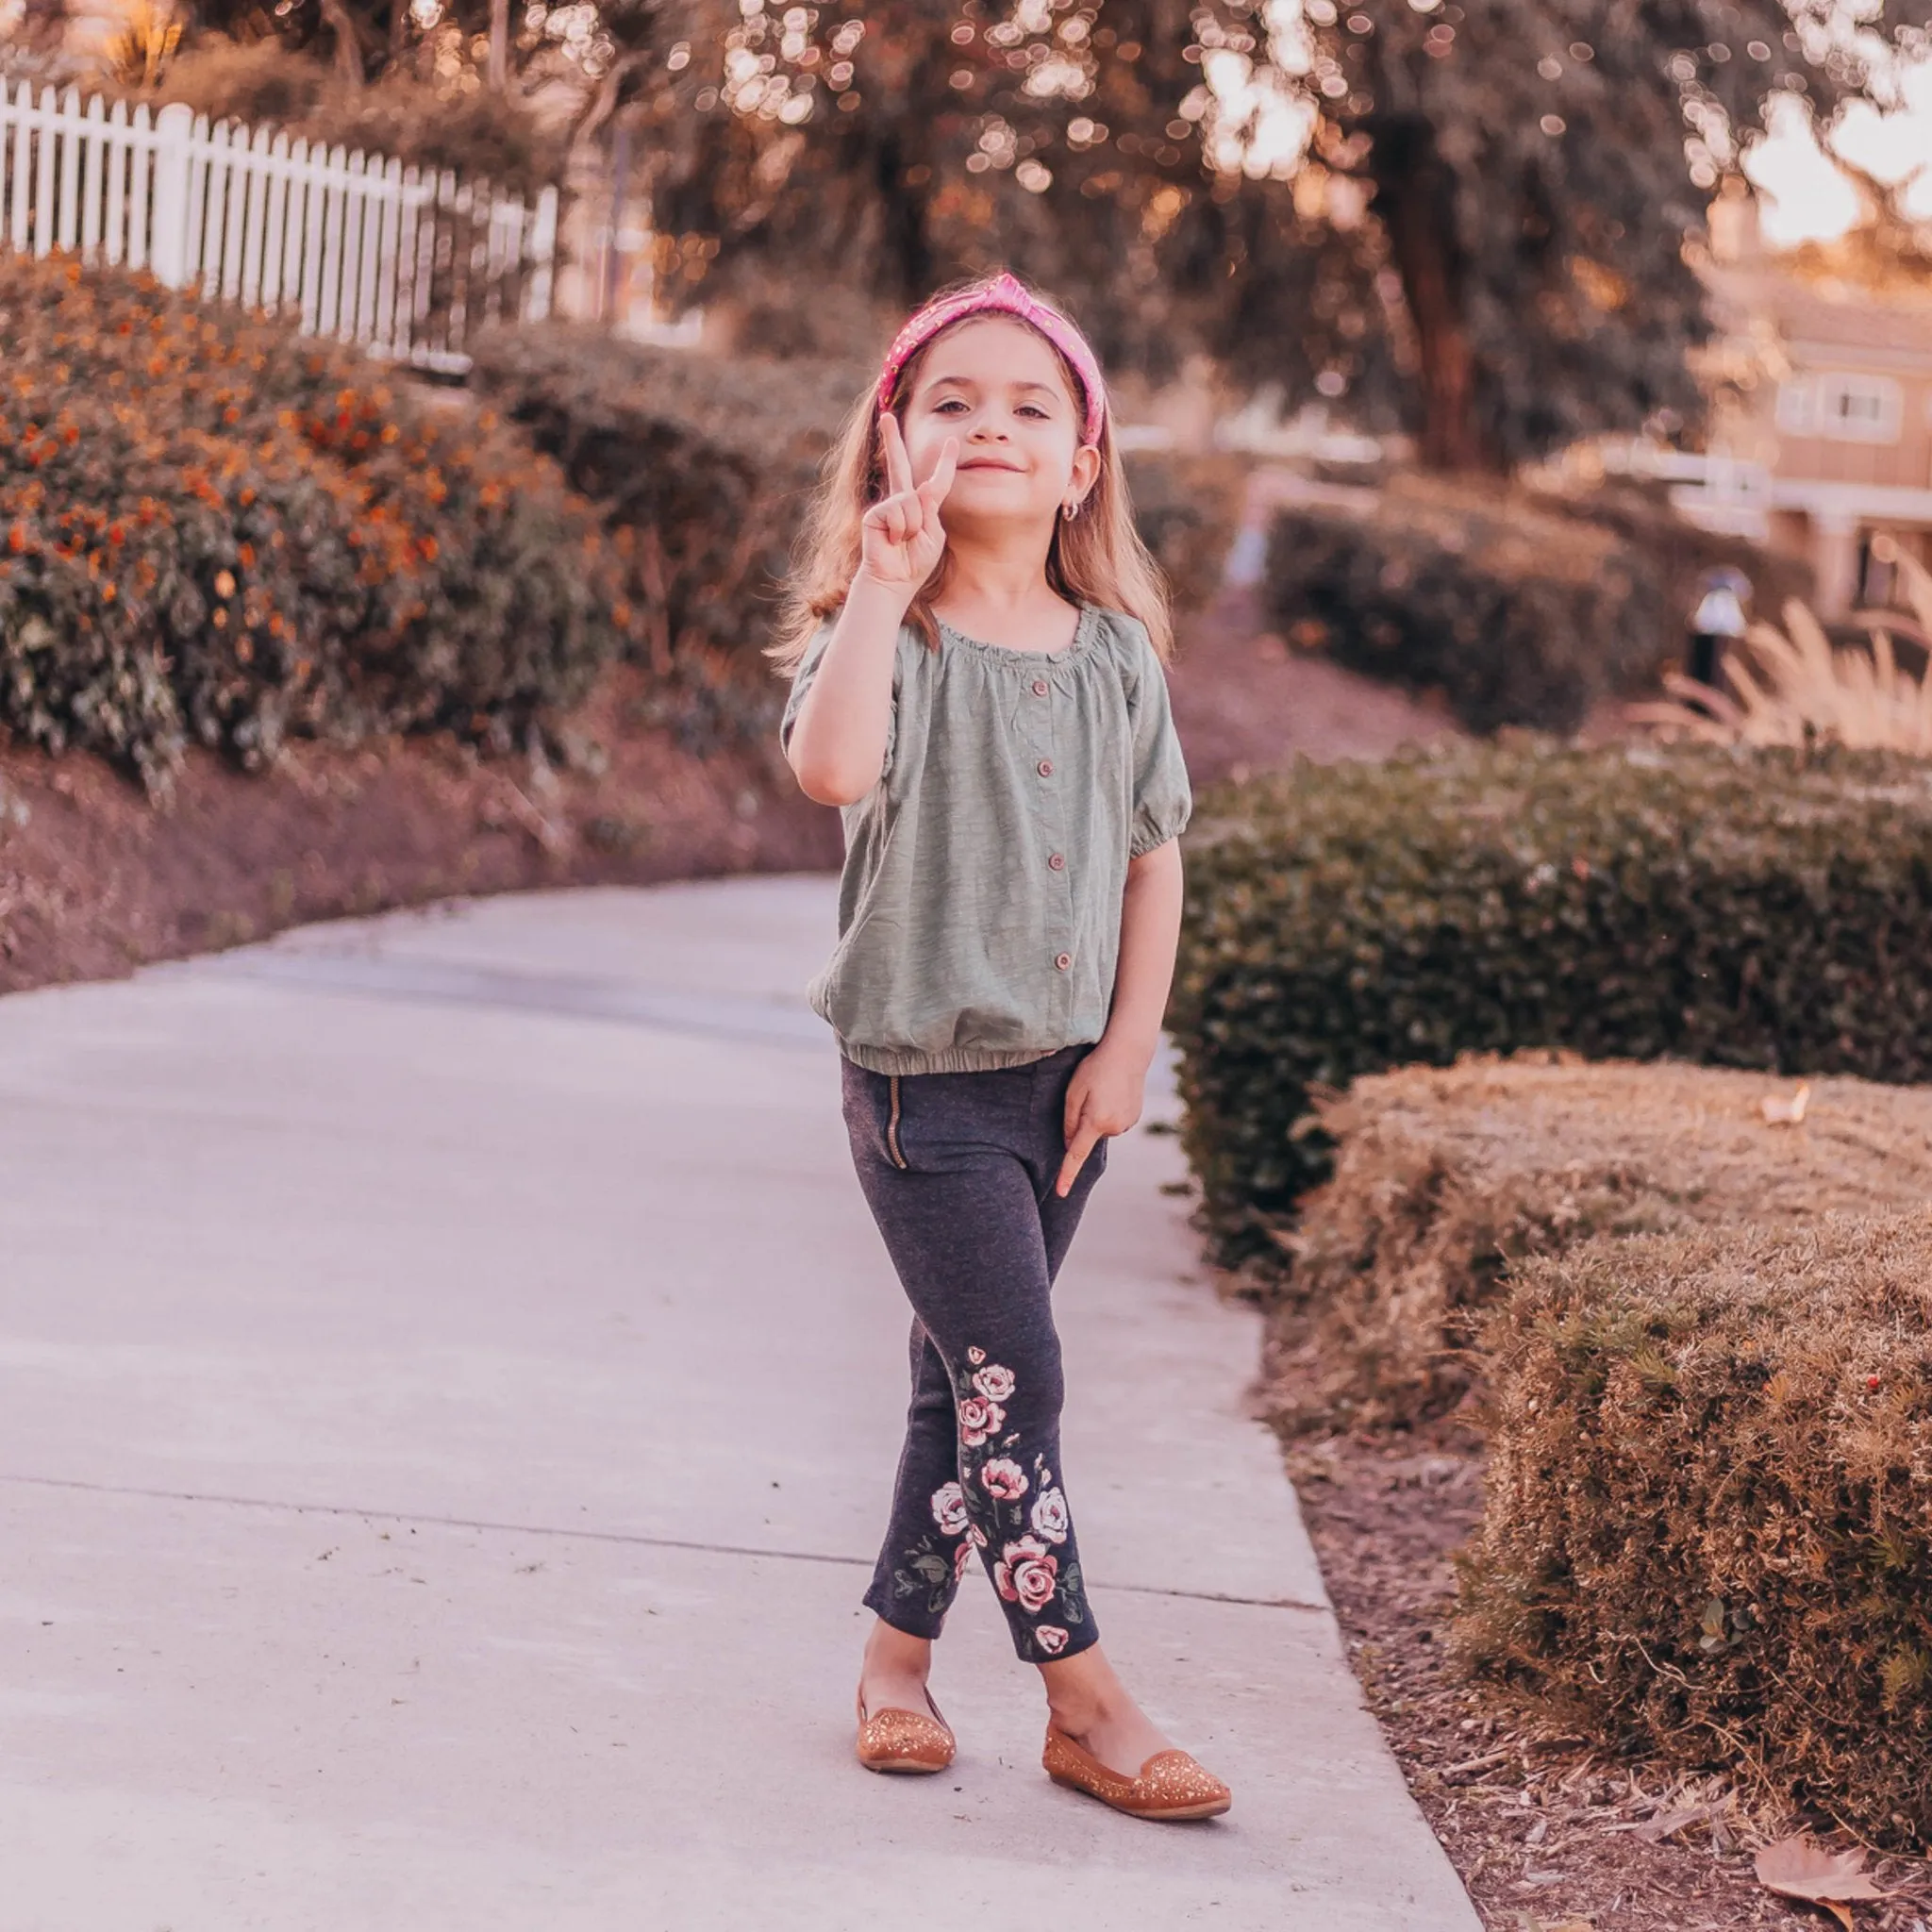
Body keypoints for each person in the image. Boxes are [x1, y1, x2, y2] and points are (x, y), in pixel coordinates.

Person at [774, 274, 1230, 1824]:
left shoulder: (1114, 659)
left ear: (1083, 462)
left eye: (1032, 405)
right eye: (951, 400)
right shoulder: (888, 635)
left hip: (1068, 1086)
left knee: (957, 1390)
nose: (992, 424)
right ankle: (1084, 1701)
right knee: (1014, 1377)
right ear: (893, 446)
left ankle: (893, 1666)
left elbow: (1154, 857)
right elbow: (830, 767)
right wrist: (880, 593)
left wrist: (1131, 1049)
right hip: (923, 1085)